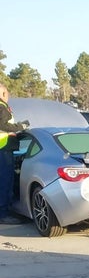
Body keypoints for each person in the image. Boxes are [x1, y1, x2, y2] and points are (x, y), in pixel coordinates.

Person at [0, 83, 28, 224]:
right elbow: (3, 125)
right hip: (4, 148)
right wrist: (20, 126)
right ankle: (3, 214)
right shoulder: (2, 107)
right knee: (5, 182)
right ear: (4, 93)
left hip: (3, 148)